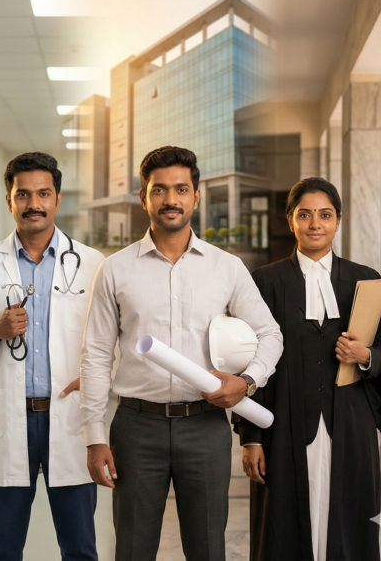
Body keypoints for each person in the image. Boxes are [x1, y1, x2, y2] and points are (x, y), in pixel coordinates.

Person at [79, 146, 284, 560]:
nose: (170, 199)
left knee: (208, 549)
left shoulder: (226, 267)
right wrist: (94, 437)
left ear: (195, 196)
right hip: (136, 429)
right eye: (159, 190)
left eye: (181, 189)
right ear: (143, 197)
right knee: (133, 549)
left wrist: (246, 383)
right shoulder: (115, 269)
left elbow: (270, 333)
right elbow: (96, 354)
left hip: (204, 428)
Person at [0, 152, 105, 561]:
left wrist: (103, 376)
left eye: (43, 194)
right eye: (23, 195)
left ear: (58, 199)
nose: (33, 203)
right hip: (10, 420)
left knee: (81, 549)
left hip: (69, 419)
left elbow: (115, 338)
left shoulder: (92, 264)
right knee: (3, 550)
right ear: (9, 200)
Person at [238, 177, 381, 560]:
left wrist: (365, 356)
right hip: (281, 423)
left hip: (349, 423)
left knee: (348, 519)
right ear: (290, 221)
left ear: (338, 221)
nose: (315, 224)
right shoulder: (265, 281)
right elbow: (251, 362)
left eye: (325, 215)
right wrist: (251, 437)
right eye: (305, 214)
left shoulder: (365, 279)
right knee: (281, 522)